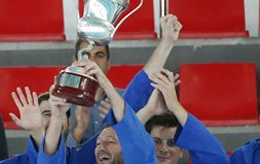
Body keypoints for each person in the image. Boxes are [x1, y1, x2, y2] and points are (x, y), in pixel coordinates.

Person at [68, 15, 182, 148]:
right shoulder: (63, 103)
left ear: (108, 63)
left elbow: (141, 85)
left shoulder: (122, 98)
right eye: (86, 55)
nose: (92, 62)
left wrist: (120, 117)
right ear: (75, 62)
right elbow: (56, 155)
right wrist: (78, 131)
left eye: (99, 55)